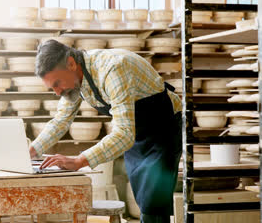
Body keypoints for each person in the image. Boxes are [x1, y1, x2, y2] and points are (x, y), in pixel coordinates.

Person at [28, 40, 182, 223]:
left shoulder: (113, 68)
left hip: (162, 128)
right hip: (136, 131)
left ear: (70, 63)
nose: (56, 92)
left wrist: (79, 161)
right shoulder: (75, 80)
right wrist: (32, 151)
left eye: (57, 83)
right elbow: (61, 121)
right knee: (143, 200)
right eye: (51, 87)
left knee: (153, 202)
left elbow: (124, 134)